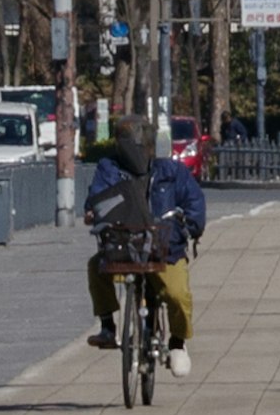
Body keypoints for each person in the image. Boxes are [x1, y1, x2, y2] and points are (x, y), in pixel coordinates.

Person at [84, 119, 207, 361]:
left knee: (177, 294)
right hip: (122, 245)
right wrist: (93, 211)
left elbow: (194, 202)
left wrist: (191, 225)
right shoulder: (109, 169)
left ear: (149, 146)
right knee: (95, 267)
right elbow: (97, 198)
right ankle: (108, 326)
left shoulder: (172, 172)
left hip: (165, 247)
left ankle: (177, 342)